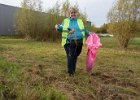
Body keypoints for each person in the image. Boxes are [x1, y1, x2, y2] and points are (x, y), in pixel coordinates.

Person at [55, 7, 90, 76]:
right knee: (71, 56)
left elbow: (84, 29)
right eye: (72, 12)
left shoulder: (80, 21)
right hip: (68, 42)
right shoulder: (65, 21)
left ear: (76, 13)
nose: (73, 14)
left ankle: (72, 70)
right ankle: (71, 73)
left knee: (75, 56)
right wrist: (57, 27)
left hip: (79, 43)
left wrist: (90, 33)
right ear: (69, 14)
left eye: (74, 12)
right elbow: (60, 28)